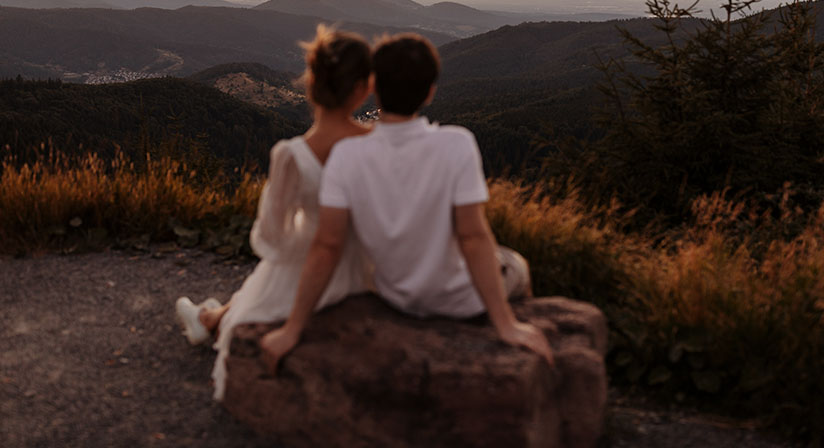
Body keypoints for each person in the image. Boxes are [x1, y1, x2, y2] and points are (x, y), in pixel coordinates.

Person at [259, 33, 552, 372]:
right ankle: (515, 324)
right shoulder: (457, 144)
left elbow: (327, 246)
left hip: (394, 296)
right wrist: (506, 325)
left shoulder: (347, 156)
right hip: (457, 300)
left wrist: (292, 329)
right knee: (516, 265)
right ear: (430, 92)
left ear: (374, 88)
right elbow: (473, 238)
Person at [174, 25, 375, 401]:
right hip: (365, 267)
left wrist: (300, 238)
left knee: (271, 273)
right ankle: (212, 317)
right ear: (365, 88)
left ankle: (209, 319)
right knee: (266, 280)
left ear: (311, 82)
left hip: (315, 263)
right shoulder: (376, 144)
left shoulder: (292, 155)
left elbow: (271, 238)